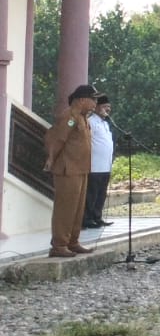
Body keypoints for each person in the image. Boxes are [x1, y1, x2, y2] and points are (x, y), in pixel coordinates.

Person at [44, 84, 98, 256]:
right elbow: (58, 139)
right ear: (82, 100)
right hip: (67, 169)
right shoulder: (69, 116)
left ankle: (73, 241)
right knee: (65, 208)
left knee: (78, 209)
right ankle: (59, 245)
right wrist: (51, 158)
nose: (95, 103)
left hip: (81, 169)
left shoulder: (83, 118)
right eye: (93, 99)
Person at [84, 94, 115, 230]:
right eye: (104, 107)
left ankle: (97, 217)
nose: (107, 109)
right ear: (96, 108)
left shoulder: (105, 123)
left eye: (109, 107)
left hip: (105, 165)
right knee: (92, 193)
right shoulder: (90, 122)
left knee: (101, 194)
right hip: (94, 165)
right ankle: (88, 219)